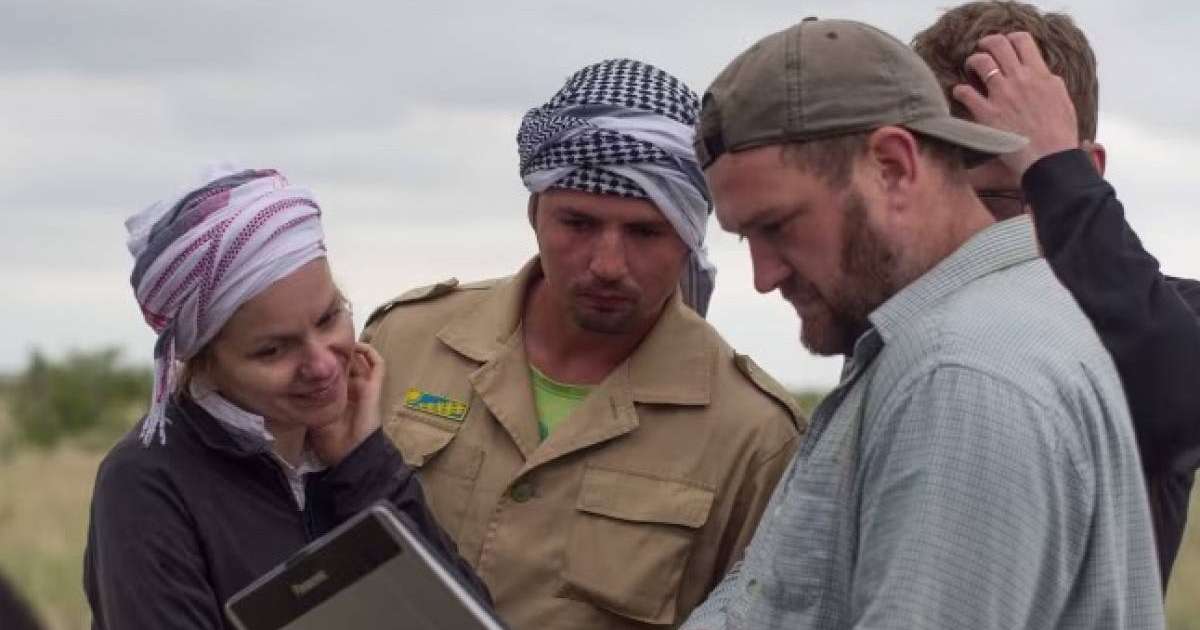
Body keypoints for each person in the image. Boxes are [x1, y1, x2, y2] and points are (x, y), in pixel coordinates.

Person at [683, 17, 1163, 629]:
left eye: (777, 226)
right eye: (745, 235)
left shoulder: (963, 377)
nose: (763, 274)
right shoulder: (949, 340)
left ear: (893, 165)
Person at [363, 59, 803, 629]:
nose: (607, 265)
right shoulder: (405, 342)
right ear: (535, 215)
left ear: (689, 238)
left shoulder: (754, 435)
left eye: (645, 232)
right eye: (578, 223)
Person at [84, 167, 488, 629]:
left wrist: (366, 466)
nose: (321, 365)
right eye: (272, 350)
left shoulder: (344, 456)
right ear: (205, 358)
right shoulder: (148, 483)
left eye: (328, 319)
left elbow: (471, 619)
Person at [911, 0, 1200, 586]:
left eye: (996, 200)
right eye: (937, 202)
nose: (961, 240)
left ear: (1082, 173)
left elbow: (1176, 399)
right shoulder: (905, 320)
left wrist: (1053, 169)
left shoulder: (1166, 321)